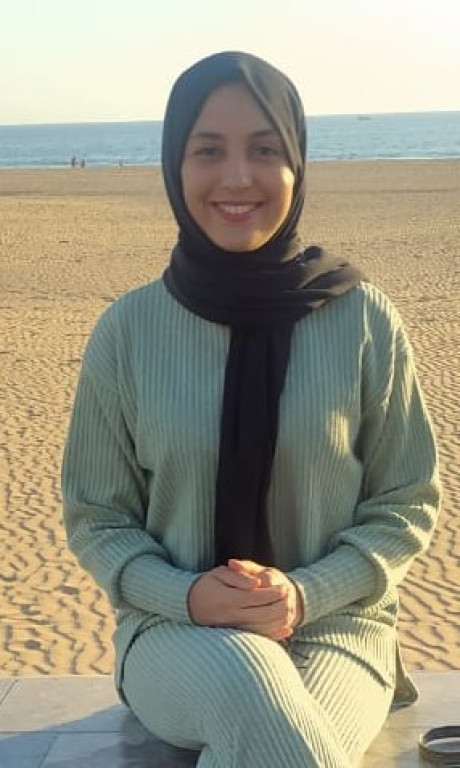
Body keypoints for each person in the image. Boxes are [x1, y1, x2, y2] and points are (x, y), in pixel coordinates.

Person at [61, 51, 440, 767]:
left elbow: (407, 502)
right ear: (176, 165)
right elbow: (97, 518)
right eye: (209, 151)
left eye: (264, 150)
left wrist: (304, 593)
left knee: (290, 744)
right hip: (173, 633)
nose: (238, 177)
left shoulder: (364, 320)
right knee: (255, 690)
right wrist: (188, 596)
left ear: (297, 161)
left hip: (338, 627)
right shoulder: (128, 332)